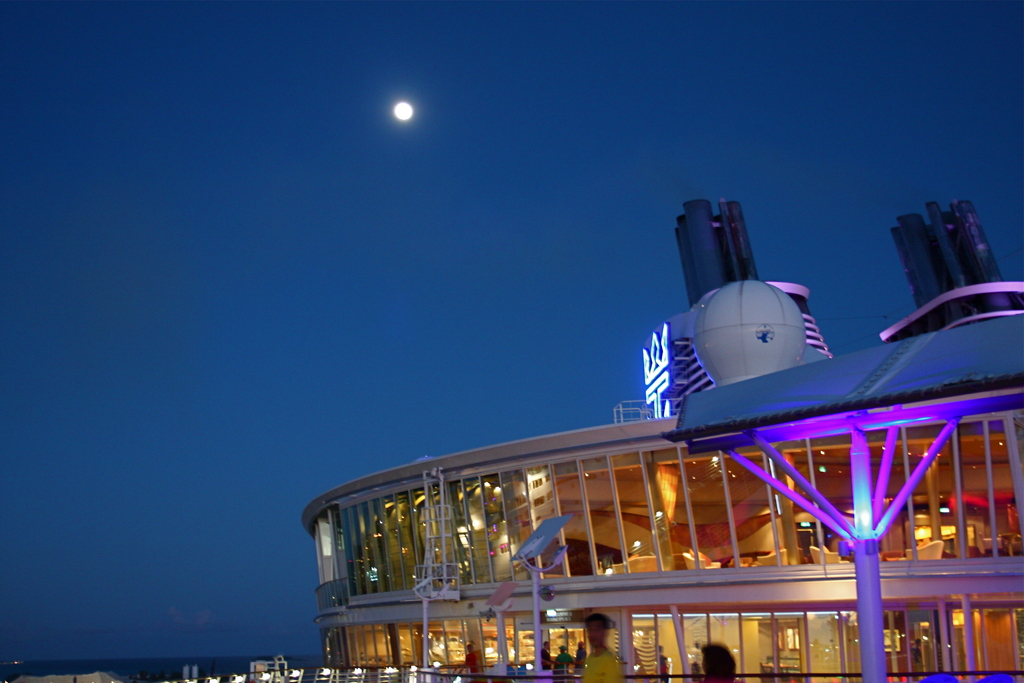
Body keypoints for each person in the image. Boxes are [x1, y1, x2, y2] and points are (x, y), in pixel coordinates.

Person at [583, 613, 623, 683]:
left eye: (597, 629)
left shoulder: (610, 659)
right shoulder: (590, 658)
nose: (592, 634)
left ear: (605, 632)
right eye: (590, 629)